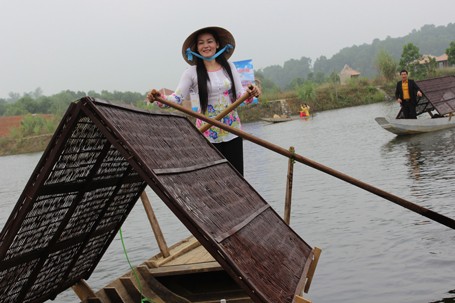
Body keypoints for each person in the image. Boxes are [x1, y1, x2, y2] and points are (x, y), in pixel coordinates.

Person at [146, 26, 260, 176]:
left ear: (217, 44)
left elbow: (240, 96)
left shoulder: (229, 67)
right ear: (196, 48)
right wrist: (159, 98)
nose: (206, 46)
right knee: (215, 179)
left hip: (233, 131)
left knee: (238, 177)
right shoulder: (191, 73)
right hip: (207, 134)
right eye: (201, 43)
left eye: (209, 41)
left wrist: (251, 93)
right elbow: (177, 99)